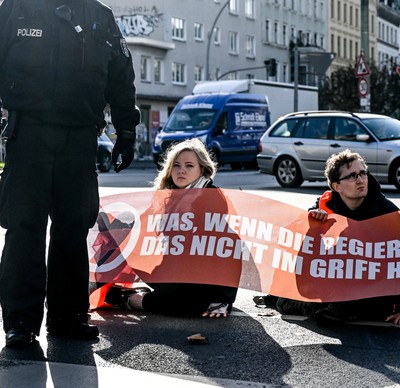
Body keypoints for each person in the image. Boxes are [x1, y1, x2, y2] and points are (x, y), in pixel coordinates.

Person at [0, 0, 140, 348]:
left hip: (80, 137)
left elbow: (121, 76)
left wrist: (126, 132)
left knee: (72, 229)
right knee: (24, 227)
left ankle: (68, 317)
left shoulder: (100, 16)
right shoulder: (16, 8)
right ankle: (20, 321)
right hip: (27, 134)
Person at [274, 149, 400, 326]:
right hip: (339, 283)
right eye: (352, 176)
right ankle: (330, 309)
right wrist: (313, 224)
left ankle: (334, 310)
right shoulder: (324, 206)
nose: (360, 180)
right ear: (336, 186)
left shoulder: (388, 212)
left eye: (363, 173)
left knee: (357, 306)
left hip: (374, 288)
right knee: (284, 303)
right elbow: (304, 249)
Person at [103, 138, 239, 318]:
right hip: (178, 271)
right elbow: (146, 231)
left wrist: (224, 298)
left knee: (188, 303)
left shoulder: (213, 196)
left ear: (202, 170)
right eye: (176, 165)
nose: (181, 170)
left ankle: (135, 300)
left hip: (207, 278)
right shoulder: (168, 197)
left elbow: (221, 248)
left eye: (189, 166)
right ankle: (103, 288)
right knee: (121, 245)